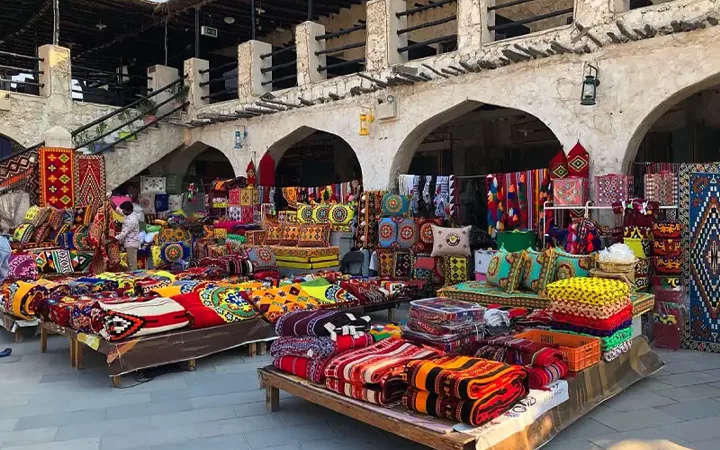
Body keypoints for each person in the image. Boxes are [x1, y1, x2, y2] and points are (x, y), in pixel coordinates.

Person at [107, 201, 141, 271]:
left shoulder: (131, 220)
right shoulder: (129, 214)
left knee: (132, 263)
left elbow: (122, 234)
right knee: (129, 262)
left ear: (129, 210)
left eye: (124, 210)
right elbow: (118, 210)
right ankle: (132, 276)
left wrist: (109, 241)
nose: (122, 211)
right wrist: (110, 201)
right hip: (130, 243)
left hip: (131, 244)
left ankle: (135, 278)